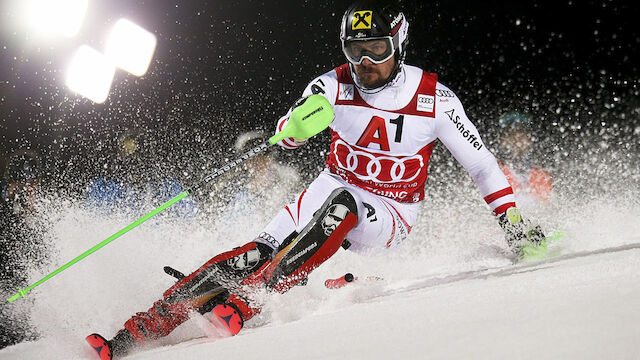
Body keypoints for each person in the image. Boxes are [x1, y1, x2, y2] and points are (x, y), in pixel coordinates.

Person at [86, 1, 547, 358]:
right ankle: (135, 333)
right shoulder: (333, 84)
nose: (366, 63)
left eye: (377, 50)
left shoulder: (436, 99)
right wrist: (295, 128)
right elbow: (289, 133)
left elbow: (483, 165)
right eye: (355, 51)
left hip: (390, 212)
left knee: (343, 203)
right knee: (251, 254)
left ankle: (248, 304)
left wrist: (511, 223)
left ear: (399, 43)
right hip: (330, 188)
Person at [497, 112, 553, 203]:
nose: (516, 140)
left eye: (521, 134)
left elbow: (549, 209)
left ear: (530, 139)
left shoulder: (541, 175)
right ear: (501, 140)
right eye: (511, 135)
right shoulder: (494, 172)